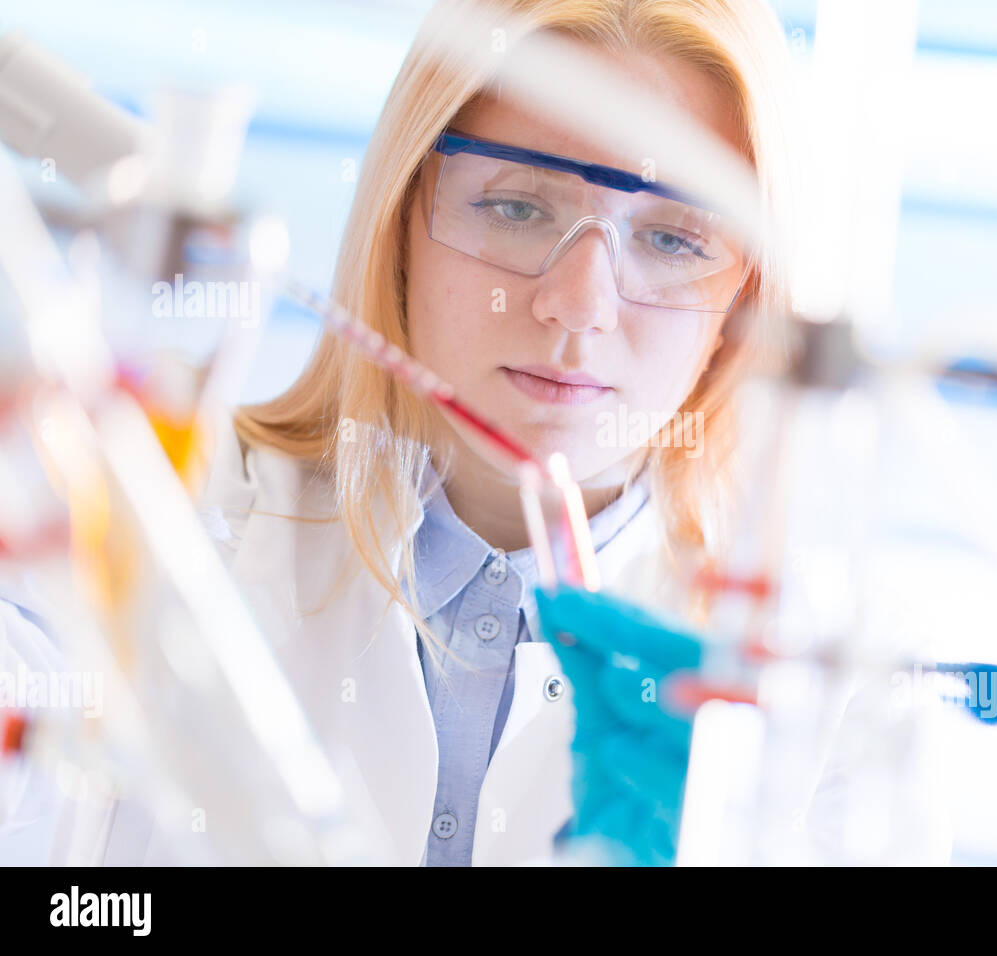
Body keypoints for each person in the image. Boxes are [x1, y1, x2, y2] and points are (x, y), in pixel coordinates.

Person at [0, 0, 799, 865]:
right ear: (402, 216)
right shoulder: (146, 506)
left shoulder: (808, 678)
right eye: (519, 208)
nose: (579, 304)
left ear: (748, 297)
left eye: (676, 239)